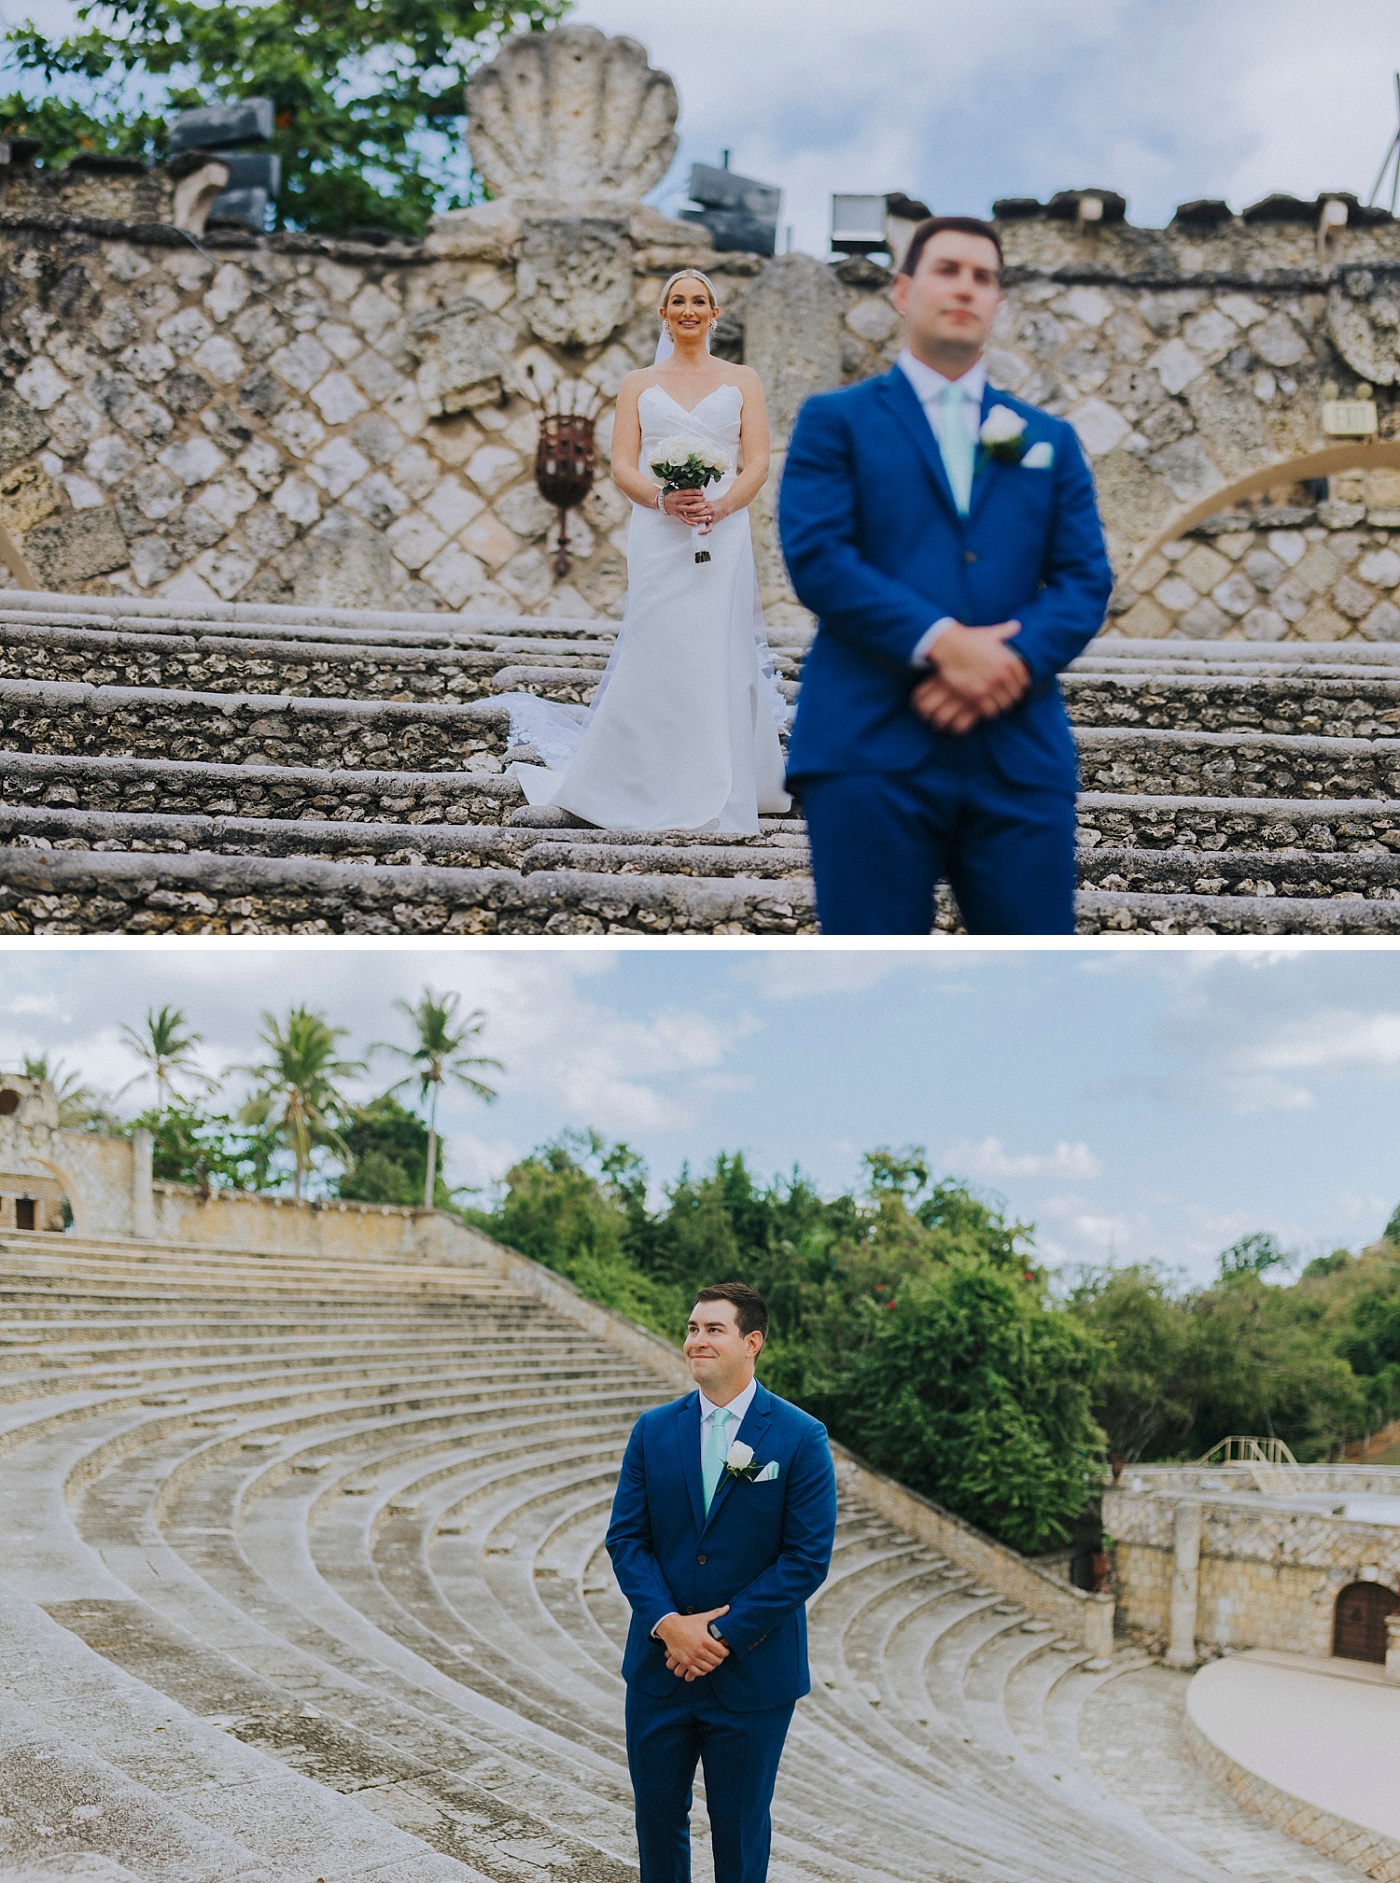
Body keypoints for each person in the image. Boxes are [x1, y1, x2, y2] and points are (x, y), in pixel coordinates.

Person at [778, 216, 1114, 935]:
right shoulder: (834, 421)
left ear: (997, 301)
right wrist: (941, 643)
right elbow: (819, 557)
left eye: (984, 277)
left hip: (1017, 754)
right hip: (867, 745)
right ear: (903, 290)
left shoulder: (1048, 440)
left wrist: (1009, 662)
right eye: (949, 270)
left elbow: (1085, 578)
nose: (966, 287)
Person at [508, 272, 791, 834]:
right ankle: (635, 777)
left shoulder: (743, 379)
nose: (688, 309)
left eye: (699, 301)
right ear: (664, 313)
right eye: (678, 301)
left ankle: (721, 783)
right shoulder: (638, 382)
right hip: (658, 531)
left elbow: (756, 462)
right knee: (656, 639)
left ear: (715, 313)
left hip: (722, 527)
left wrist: (722, 507)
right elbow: (621, 467)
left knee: (716, 643)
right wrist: (666, 500)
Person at [605, 1282, 837, 1883]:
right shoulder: (653, 1431)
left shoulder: (799, 1436)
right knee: (656, 1824)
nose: (696, 1340)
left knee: (739, 1829)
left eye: (714, 1329)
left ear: (752, 1342)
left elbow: (806, 1557)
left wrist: (719, 1633)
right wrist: (668, 1626)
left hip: (752, 1676)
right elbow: (626, 1541)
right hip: (660, 1669)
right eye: (691, 1328)